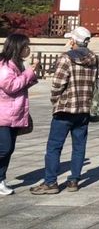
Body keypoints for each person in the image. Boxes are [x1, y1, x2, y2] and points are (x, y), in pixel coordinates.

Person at [31, 27, 99, 194]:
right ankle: (74, 180)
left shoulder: (66, 59)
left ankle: (51, 182)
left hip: (65, 108)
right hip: (84, 109)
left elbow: (58, 84)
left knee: (54, 146)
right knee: (79, 145)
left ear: (73, 40)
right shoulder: (94, 59)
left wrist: (55, 101)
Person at [0, 34, 40, 196]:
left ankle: (1, 178)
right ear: (17, 48)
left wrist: (30, 74)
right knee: (4, 148)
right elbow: (10, 86)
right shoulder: (5, 66)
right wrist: (30, 73)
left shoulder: (17, 65)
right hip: (4, 114)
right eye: (25, 46)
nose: (28, 49)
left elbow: (21, 86)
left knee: (9, 149)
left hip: (14, 113)